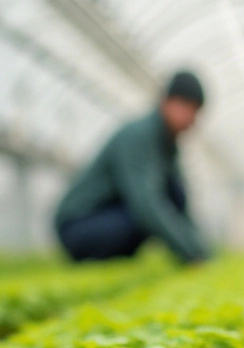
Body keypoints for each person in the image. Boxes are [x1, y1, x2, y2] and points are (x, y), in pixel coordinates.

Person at [53, 71, 211, 264]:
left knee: (175, 193)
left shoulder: (168, 146)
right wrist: (191, 254)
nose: (191, 120)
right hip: (78, 226)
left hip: (111, 217)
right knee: (149, 213)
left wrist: (201, 250)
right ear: (167, 102)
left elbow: (181, 205)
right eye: (187, 108)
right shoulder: (139, 135)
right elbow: (145, 204)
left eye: (196, 112)